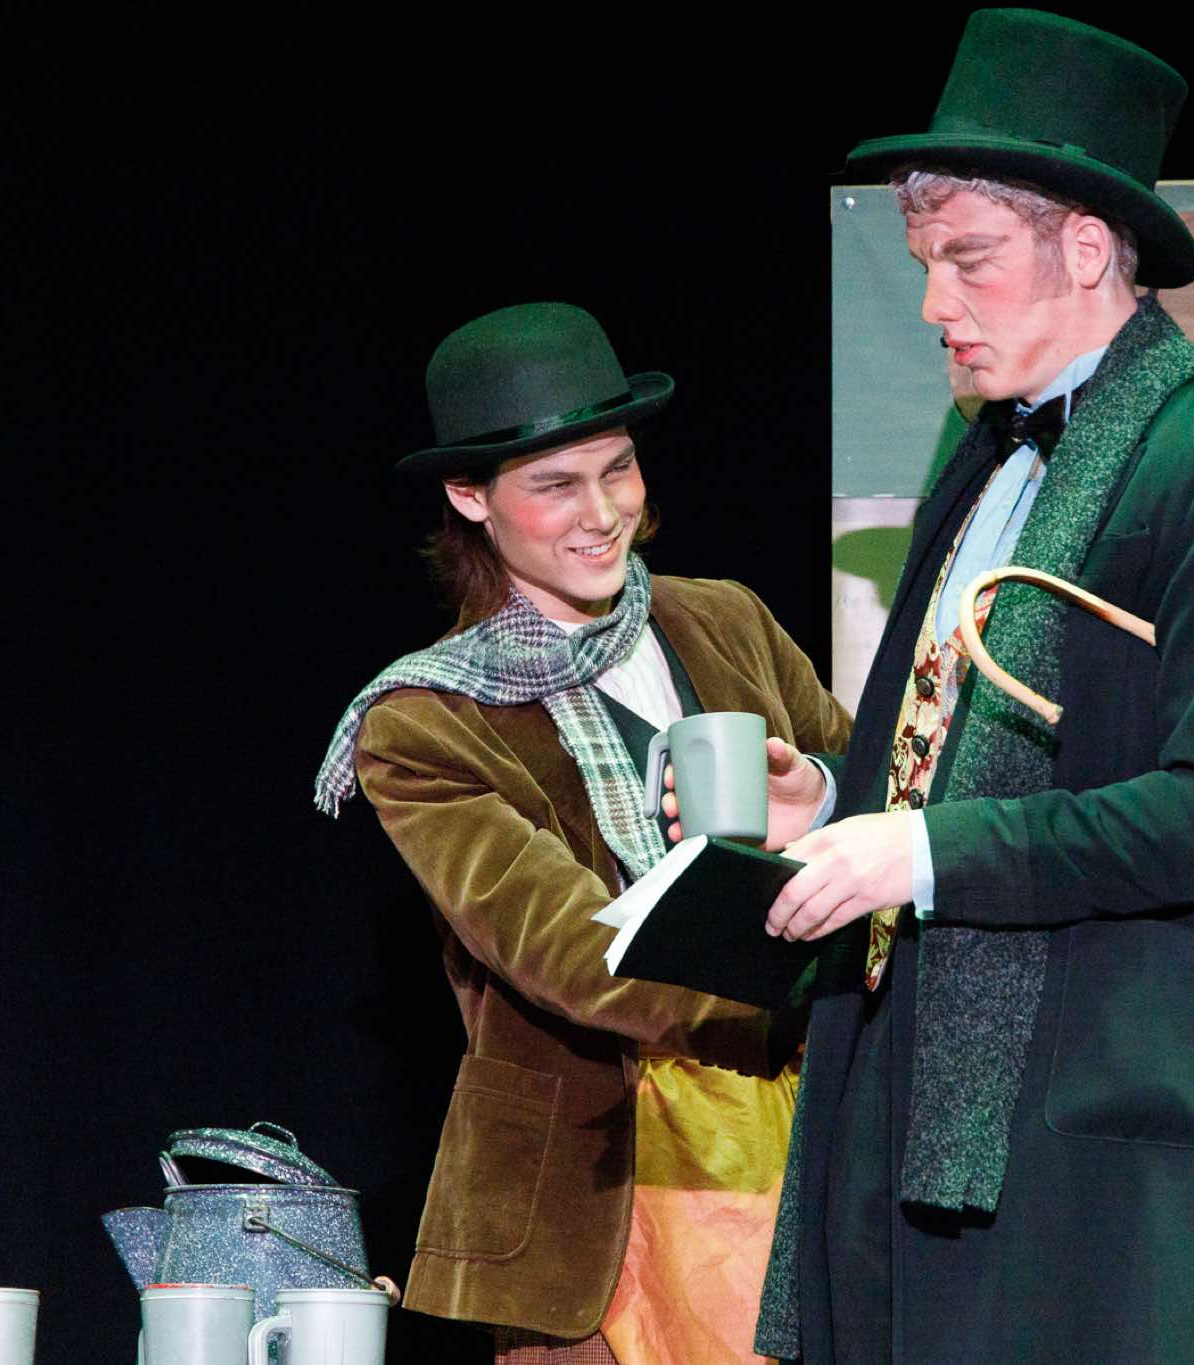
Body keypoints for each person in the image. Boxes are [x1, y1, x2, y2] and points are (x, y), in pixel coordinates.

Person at [751, 11, 1194, 1362]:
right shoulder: (979, 460)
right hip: (907, 1109)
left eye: (968, 259)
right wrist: (838, 809)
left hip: (1089, 1152)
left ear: (1085, 247)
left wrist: (922, 853)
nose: (933, 305)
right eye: (925, 264)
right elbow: (960, 753)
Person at [315, 302, 853, 1364]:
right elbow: (566, 948)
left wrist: (825, 799)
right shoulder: (424, 721)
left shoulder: (726, 621)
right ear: (470, 497)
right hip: (595, 1196)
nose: (603, 513)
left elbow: (883, 797)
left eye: (619, 469)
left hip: (802, 1149)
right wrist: (803, 958)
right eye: (556, 484)